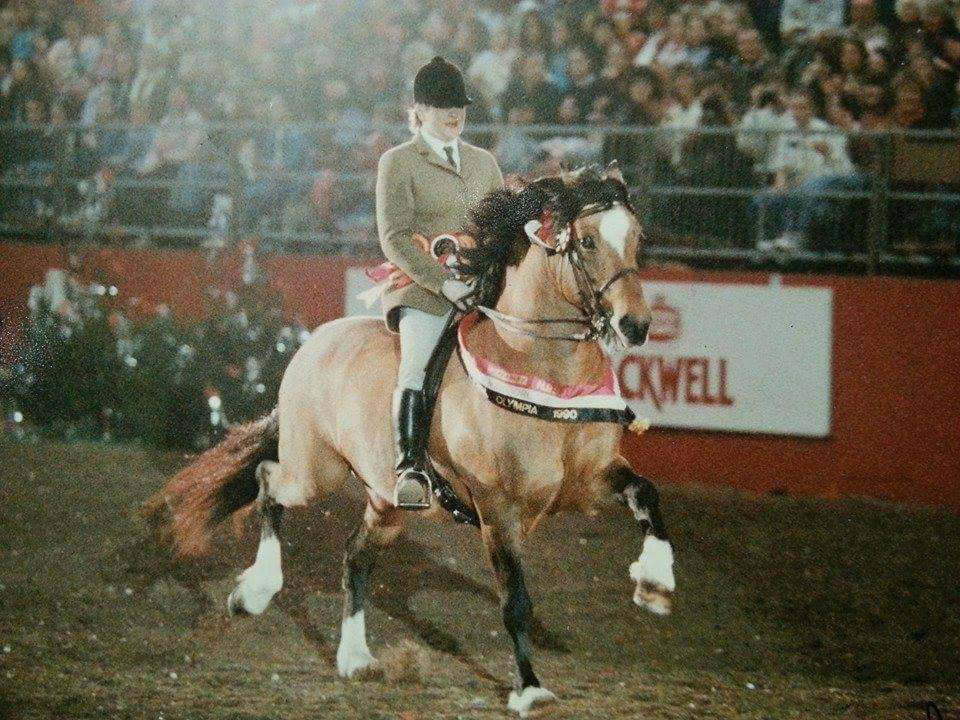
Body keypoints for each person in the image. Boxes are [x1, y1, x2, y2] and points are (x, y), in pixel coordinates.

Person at [375, 56, 504, 509]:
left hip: (479, 286)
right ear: (419, 110)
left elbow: (499, 227)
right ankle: (409, 465)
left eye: (460, 106)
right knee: (416, 363)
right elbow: (393, 237)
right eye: (443, 106)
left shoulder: (484, 163)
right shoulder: (399, 162)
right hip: (424, 290)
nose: (455, 114)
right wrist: (441, 283)